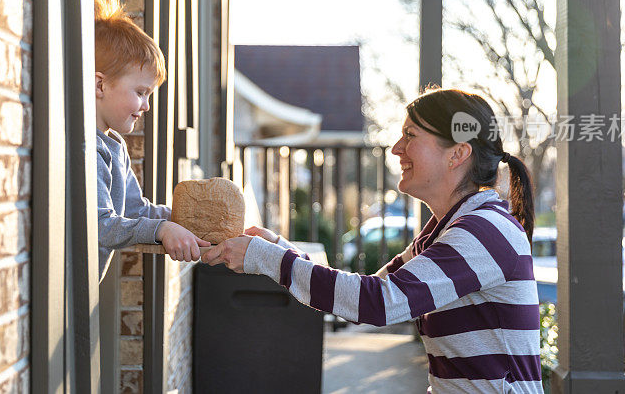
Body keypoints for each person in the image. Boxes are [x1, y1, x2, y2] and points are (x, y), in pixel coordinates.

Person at [203, 88, 542, 393]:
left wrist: (268, 258)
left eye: (410, 135)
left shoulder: (484, 231)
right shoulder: (445, 230)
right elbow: (364, 296)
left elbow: (378, 302)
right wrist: (277, 248)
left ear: (457, 154)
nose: (397, 149)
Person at [95, 0, 209, 281]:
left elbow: (136, 209)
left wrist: (190, 221)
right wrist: (160, 230)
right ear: (100, 85)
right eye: (140, 93)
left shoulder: (116, 147)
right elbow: (100, 224)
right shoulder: (86, 148)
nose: (146, 106)